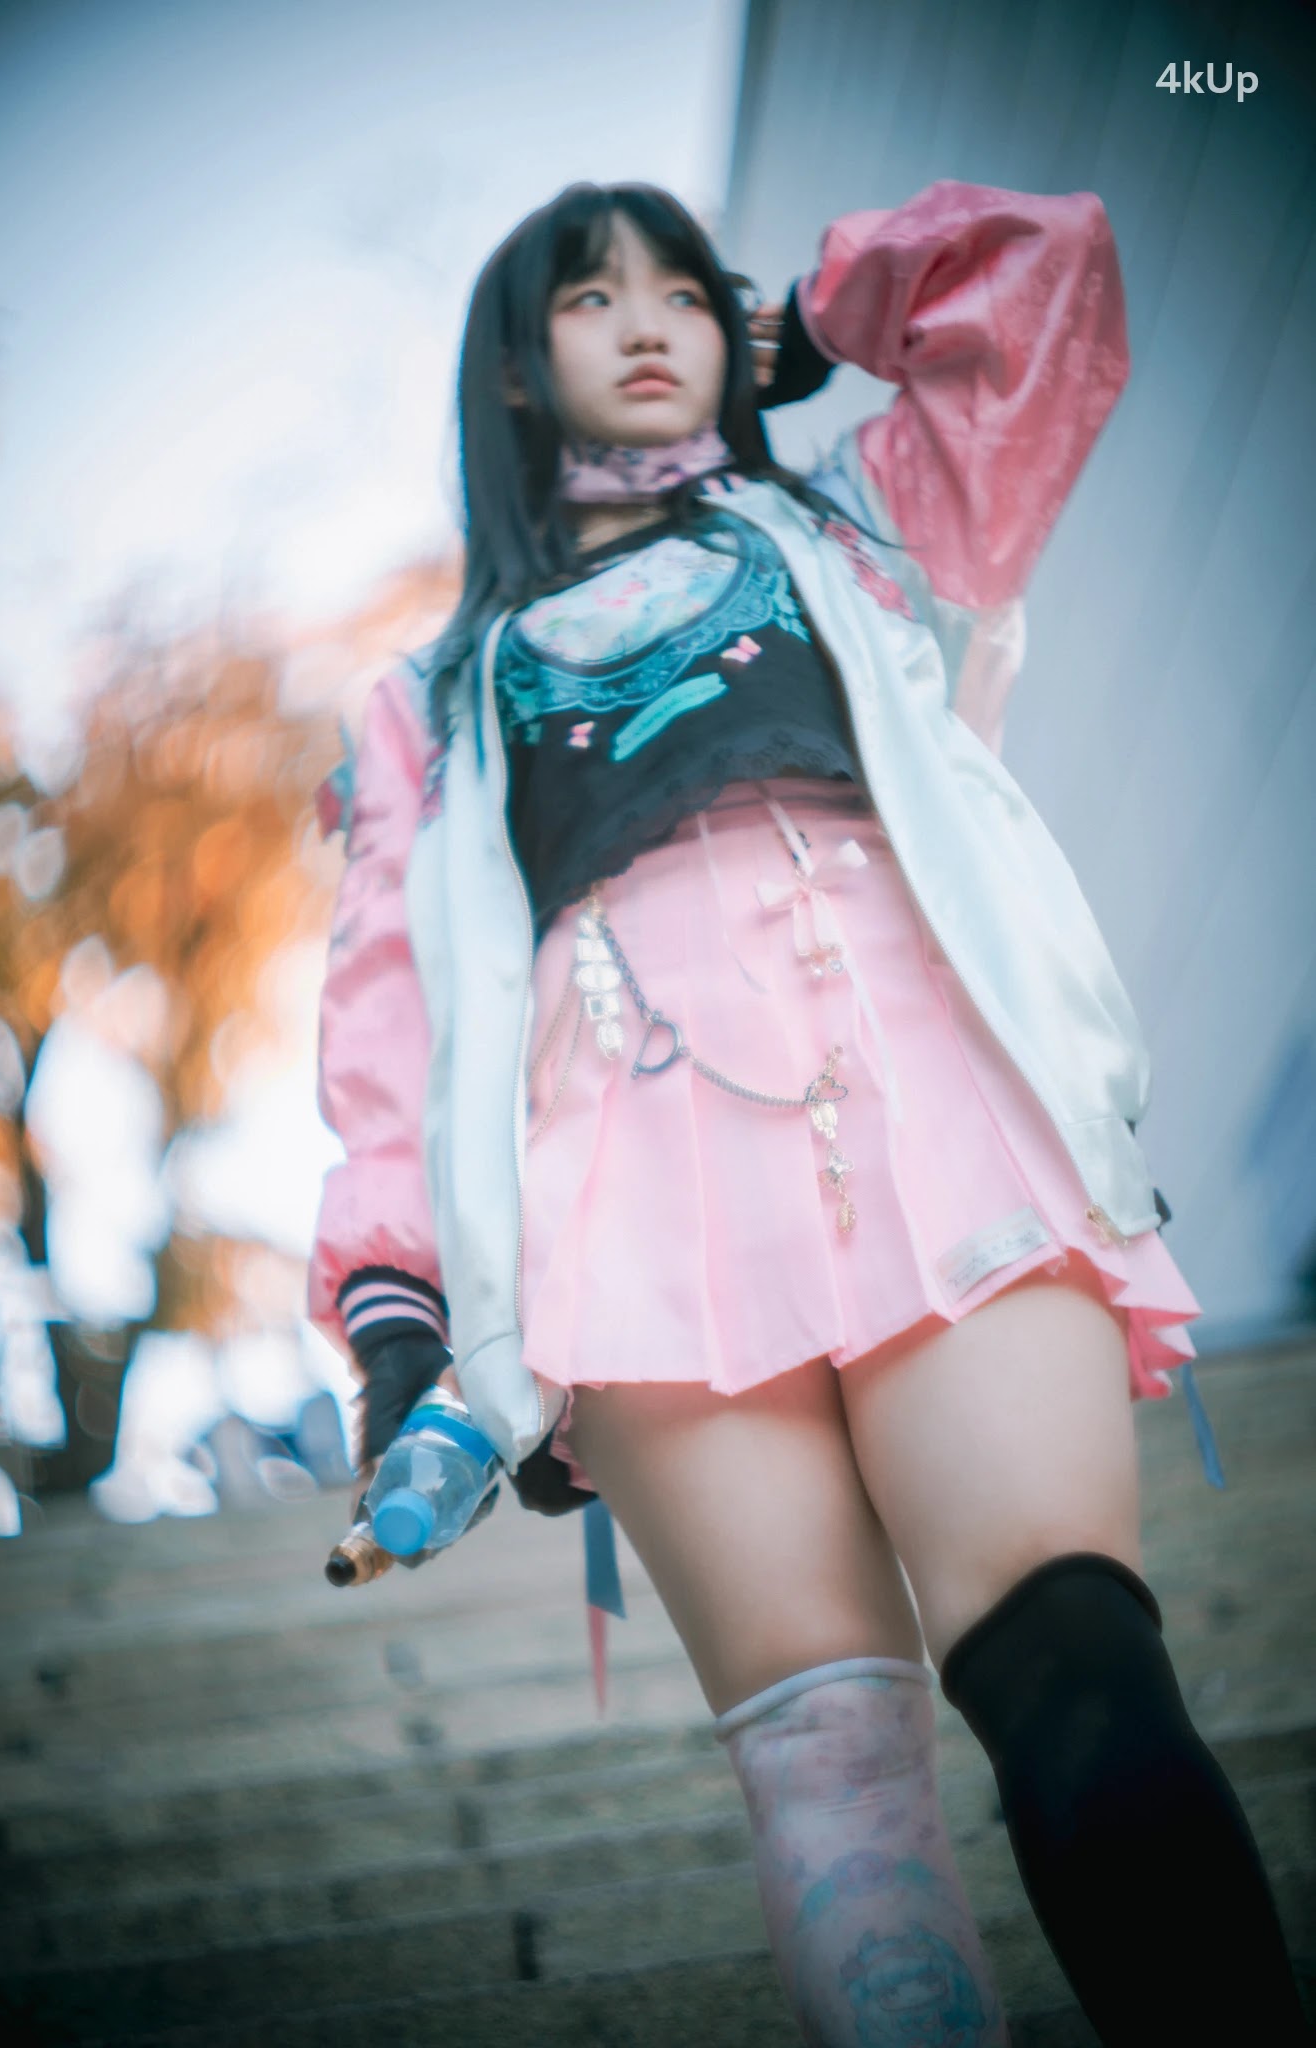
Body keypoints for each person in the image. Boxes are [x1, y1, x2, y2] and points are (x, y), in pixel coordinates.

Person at [309, 177, 1308, 2045]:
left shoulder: (866, 521)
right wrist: (398, 1314)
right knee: (830, 1778)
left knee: (1072, 1656)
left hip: (929, 1118)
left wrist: (817, 314)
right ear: (512, 369)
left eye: (681, 292)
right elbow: (392, 1017)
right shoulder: (428, 700)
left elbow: (1048, 279)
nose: (647, 322)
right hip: (628, 1213)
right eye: (591, 297)